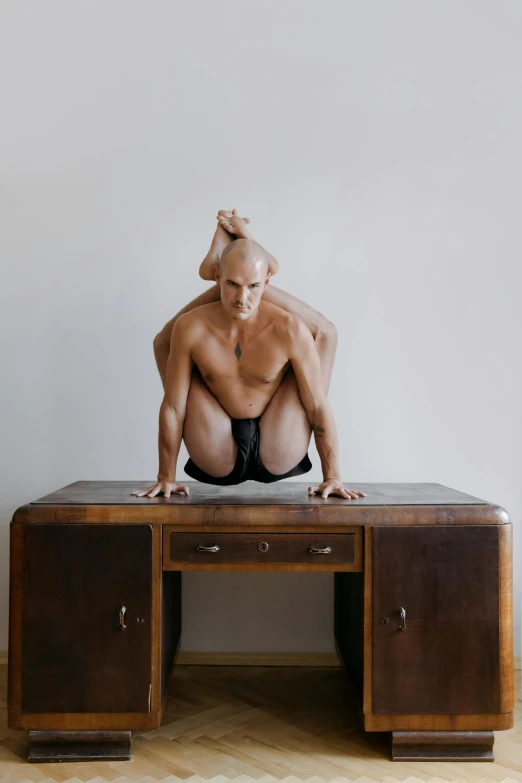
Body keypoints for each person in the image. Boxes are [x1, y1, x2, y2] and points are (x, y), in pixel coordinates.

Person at [131, 211, 366, 501]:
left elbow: (317, 405)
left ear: (267, 283)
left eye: (254, 287)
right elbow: (173, 407)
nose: (242, 299)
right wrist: (165, 477)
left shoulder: (288, 328)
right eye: (231, 285)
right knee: (180, 355)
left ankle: (248, 265)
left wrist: (333, 477)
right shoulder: (192, 327)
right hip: (216, 452)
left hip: (279, 448)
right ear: (218, 278)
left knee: (314, 351)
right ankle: (246, 264)